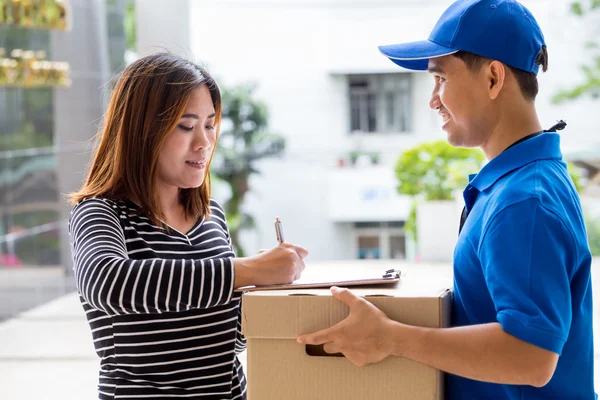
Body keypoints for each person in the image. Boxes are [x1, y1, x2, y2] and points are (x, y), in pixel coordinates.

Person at [298, 1, 596, 399]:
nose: (433, 100)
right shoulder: (519, 183)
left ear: (493, 78)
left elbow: (532, 356)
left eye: (440, 78)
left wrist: (392, 338)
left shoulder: (524, 201)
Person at [68, 52, 308, 400]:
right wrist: (244, 271)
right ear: (141, 130)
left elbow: (227, 340)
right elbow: (108, 283)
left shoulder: (212, 215)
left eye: (210, 125)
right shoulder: (100, 212)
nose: (204, 143)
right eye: (186, 126)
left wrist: (262, 288)